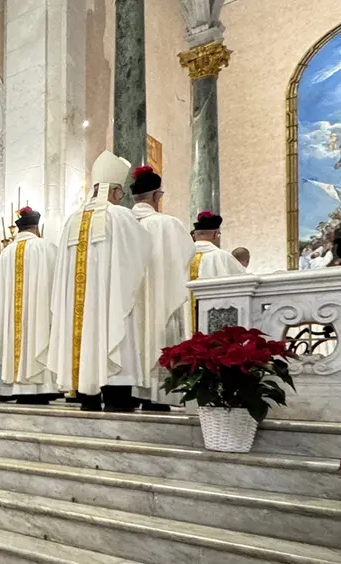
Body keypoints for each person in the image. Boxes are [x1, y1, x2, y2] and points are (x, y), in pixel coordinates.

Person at [48, 151, 152, 412]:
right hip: (109, 300)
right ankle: (116, 399)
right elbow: (141, 252)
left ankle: (88, 397)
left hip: (77, 306)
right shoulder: (120, 216)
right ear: (115, 191)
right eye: (120, 193)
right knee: (112, 333)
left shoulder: (71, 220)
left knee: (83, 339)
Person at [129, 166, 194, 411]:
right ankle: (158, 396)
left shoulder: (121, 223)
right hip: (159, 298)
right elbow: (186, 256)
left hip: (128, 302)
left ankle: (130, 390)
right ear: (157, 196)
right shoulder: (168, 224)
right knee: (158, 335)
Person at [0, 207, 58, 404]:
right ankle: (39, 388)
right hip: (39, 314)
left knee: (13, 340)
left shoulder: (6, 253)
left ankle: (14, 387)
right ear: (36, 227)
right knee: (37, 338)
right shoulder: (46, 248)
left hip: (11, 318)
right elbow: (57, 283)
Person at [187, 211, 247, 333]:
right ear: (215, 234)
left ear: (194, 236)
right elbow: (244, 285)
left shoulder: (181, 257)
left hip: (186, 321)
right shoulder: (222, 257)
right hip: (214, 324)